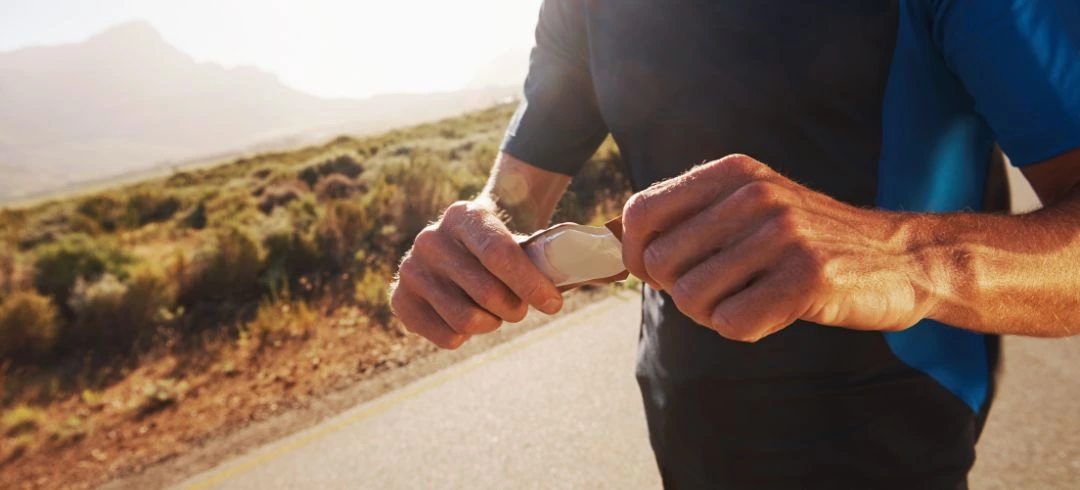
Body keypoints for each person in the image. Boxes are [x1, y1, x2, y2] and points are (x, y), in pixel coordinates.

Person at [388, 1, 1080, 488]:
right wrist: (476, 242)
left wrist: (905, 259)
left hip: (888, 438)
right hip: (683, 423)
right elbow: (514, 198)